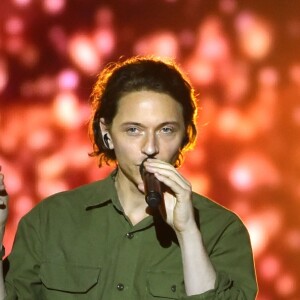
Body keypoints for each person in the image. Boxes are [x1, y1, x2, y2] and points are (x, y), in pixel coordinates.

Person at [0, 56, 257, 299]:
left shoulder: (222, 230)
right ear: (107, 133)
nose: (150, 147)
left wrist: (188, 232)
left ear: (186, 135)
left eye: (166, 130)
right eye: (134, 130)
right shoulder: (51, 220)